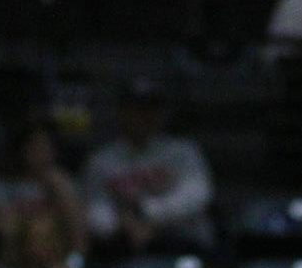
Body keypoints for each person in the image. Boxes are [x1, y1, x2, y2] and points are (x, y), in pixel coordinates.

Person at [83, 83, 216, 252]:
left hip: (183, 242)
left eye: (150, 109)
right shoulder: (101, 161)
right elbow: (94, 209)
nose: (143, 116)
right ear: (121, 112)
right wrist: (121, 224)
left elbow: (198, 196)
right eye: (136, 109)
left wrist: (146, 213)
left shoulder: (183, 151)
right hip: (123, 246)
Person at [0, 118, 89, 259]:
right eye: (35, 146)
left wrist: (60, 190)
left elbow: (80, 236)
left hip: (59, 260)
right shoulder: (4, 187)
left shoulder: (62, 182)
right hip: (21, 263)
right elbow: (5, 232)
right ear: (21, 150)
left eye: (46, 146)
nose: (42, 152)